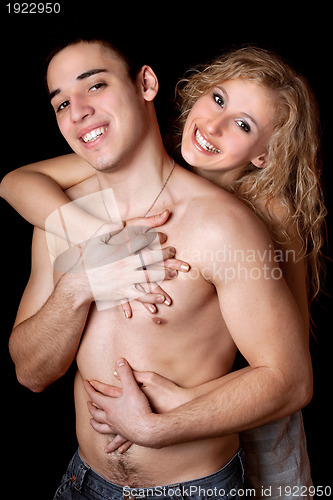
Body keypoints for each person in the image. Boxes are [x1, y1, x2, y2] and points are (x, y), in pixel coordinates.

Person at [2, 39, 313, 500]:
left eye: (97, 86)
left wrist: (161, 422)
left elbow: (288, 371)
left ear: (144, 84)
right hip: (82, 482)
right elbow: (29, 373)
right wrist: (82, 276)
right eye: (63, 102)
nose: (79, 111)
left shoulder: (248, 221)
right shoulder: (64, 212)